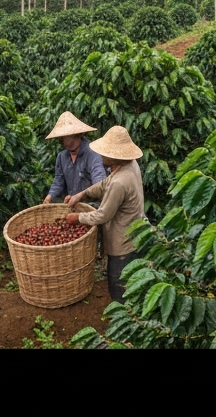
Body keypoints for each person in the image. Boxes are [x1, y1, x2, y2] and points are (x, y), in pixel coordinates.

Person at [63, 126, 146, 304]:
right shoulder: (129, 165)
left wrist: (77, 218)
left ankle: (125, 318)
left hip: (123, 241)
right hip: (136, 232)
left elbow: (102, 215)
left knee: (119, 285)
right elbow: (103, 185)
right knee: (132, 279)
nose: (101, 156)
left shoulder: (120, 182)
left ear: (115, 156)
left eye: (104, 153)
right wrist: (82, 194)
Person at [42, 111, 106, 205]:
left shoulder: (92, 153)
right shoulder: (62, 157)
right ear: (61, 139)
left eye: (72, 138)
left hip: (92, 206)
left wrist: (81, 196)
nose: (69, 143)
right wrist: (49, 196)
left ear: (79, 135)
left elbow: (100, 182)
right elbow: (58, 181)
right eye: (65, 139)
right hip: (72, 205)